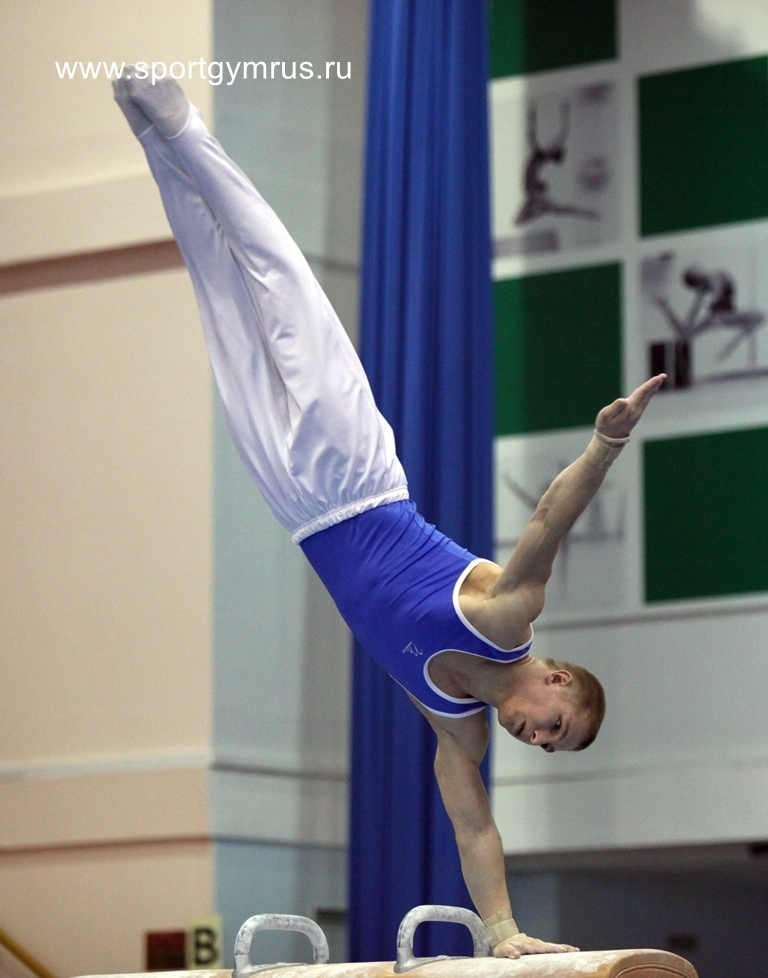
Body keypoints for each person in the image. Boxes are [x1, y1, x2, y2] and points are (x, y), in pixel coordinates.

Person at [112, 71, 665, 959]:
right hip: (359, 476)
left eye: (549, 749)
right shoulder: (508, 619)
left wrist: (504, 934)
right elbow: (547, 523)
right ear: (558, 680)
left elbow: (474, 830)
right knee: (279, 286)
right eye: (556, 727)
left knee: (222, 311)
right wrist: (605, 443)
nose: (537, 738)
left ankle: (148, 138)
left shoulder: (458, 728)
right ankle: (184, 125)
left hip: (298, 510)